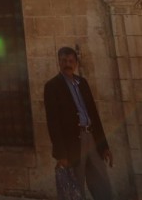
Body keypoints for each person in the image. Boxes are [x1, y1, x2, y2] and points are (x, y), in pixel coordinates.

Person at [44, 46, 113, 200]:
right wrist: (61, 154)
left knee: (102, 182)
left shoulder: (83, 83)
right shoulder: (52, 86)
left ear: (75, 63)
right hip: (73, 143)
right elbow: (53, 122)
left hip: (92, 138)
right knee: (76, 185)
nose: (67, 64)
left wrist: (104, 146)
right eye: (64, 61)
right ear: (59, 62)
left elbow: (93, 114)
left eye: (70, 61)